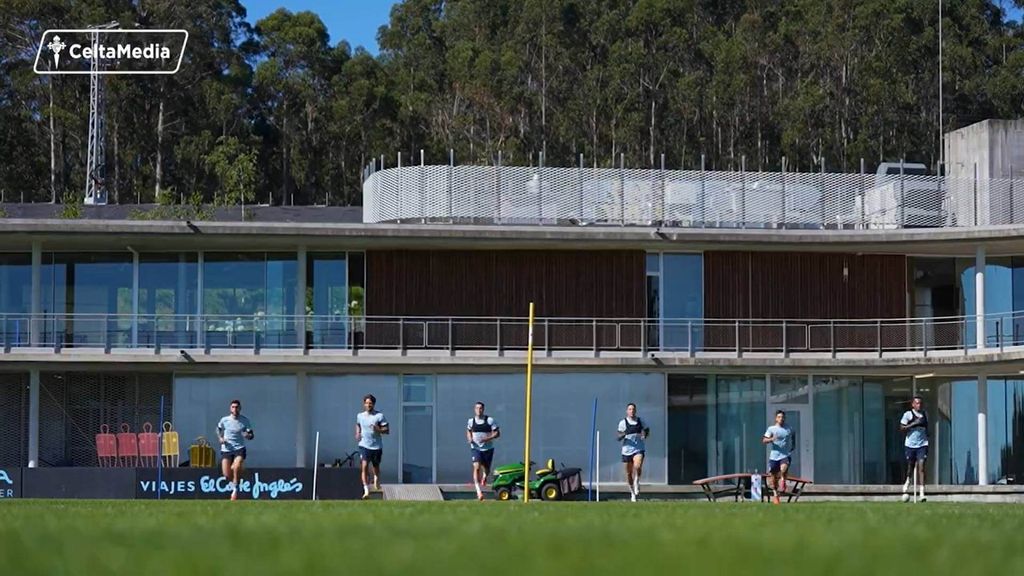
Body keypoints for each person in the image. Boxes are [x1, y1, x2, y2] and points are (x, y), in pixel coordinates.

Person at [217, 399, 254, 501]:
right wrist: (220, 438)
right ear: (230, 408)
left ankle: (235, 489)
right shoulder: (224, 420)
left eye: (237, 407)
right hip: (227, 449)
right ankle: (236, 479)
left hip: (239, 448)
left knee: (236, 467)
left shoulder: (244, 420)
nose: (235, 409)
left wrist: (247, 435)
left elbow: (251, 434)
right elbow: (219, 429)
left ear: (240, 408)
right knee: (226, 474)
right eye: (233, 407)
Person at [355, 394, 389, 499]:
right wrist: (357, 432)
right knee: (364, 466)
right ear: (364, 404)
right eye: (366, 403)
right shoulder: (360, 415)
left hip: (376, 446)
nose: (368, 405)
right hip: (364, 445)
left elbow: (387, 430)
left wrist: (378, 430)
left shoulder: (379, 416)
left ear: (373, 404)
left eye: (370, 403)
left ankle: (376, 479)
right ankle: (366, 490)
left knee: (376, 467)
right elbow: (358, 424)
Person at [466, 402, 500, 501]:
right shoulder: (471, 421)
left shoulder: (489, 420)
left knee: (487, 469)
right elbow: (468, 431)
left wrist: (486, 439)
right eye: (477, 408)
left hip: (488, 449)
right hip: (475, 448)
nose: (479, 410)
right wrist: (470, 438)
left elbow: (497, 433)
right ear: (474, 409)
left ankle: (485, 477)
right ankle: (478, 492)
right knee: (476, 467)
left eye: (480, 408)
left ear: (483, 409)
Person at [617, 403, 650, 502]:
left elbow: (647, 430)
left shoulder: (640, 421)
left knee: (637, 466)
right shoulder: (623, 423)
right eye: (630, 409)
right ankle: (632, 493)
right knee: (628, 473)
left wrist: (644, 435)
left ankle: (637, 481)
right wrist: (624, 434)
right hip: (627, 450)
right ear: (627, 411)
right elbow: (618, 436)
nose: (632, 411)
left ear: (635, 411)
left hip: (638, 448)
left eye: (633, 409)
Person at [900, 396, 928, 502]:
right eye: (916, 403)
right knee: (910, 465)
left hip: (922, 444)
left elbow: (927, 427)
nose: (919, 405)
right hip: (910, 445)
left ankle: (922, 492)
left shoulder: (924, 415)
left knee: (921, 466)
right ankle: (908, 481)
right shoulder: (908, 415)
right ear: (913, 404)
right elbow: (902, 428)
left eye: (920, 403)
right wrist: (913, 424)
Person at [762, 410, 793, 505]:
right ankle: (776, 496)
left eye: (783, 417)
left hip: (785, 455)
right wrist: (771, 439)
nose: (781, 419)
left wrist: (793, 446)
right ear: (776, 418)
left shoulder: (789, 428)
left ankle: (783, 481)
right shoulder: (771, 429)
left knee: (783, 469)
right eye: (779, 417)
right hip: (774, 456)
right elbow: (764, 440)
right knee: (773, 478)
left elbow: (793, 437)